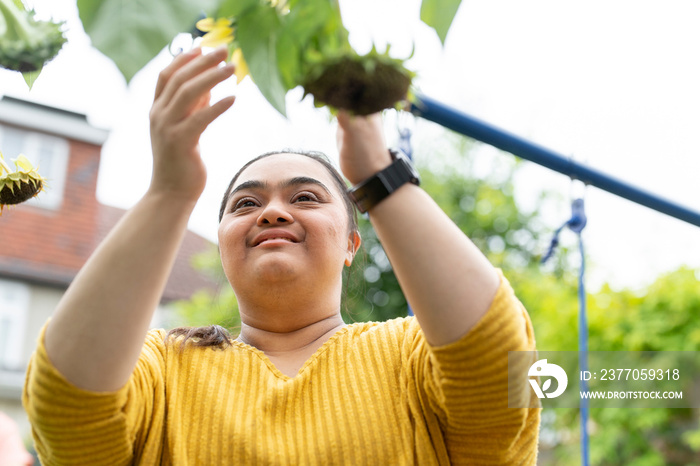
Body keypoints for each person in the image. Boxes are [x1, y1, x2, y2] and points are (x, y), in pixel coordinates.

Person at [22, 46, 540, 464]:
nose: (271, 213)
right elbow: (67, 409)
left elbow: (505, 371)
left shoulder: (411, 352)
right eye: (245, 204)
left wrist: (377, 175)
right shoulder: (163, 366)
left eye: (305, 197)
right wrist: (169, 193)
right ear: (222, 245)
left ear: (351, 244)